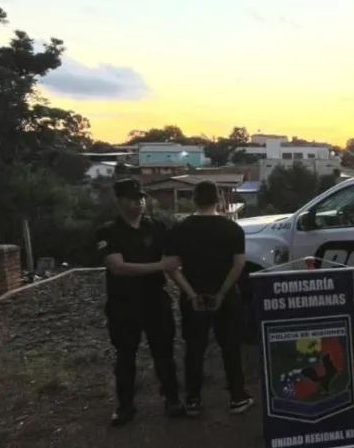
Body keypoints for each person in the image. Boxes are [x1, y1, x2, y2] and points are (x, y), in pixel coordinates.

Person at [95, 178, 184, 426]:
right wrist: (159, 265)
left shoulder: (156, 227)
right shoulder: (108, 231)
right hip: (123, 303)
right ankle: (125, 406)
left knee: (164, 353)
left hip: (156, 300)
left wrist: (188, 290)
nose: (139, 203)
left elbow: (172, 263)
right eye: (133, 199)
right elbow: (117, 267)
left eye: (141, 198)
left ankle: (172, 399)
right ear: (120, 201)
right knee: (125, 355)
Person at [164, 180, 254, 417]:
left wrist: (192, 294)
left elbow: (172, 267)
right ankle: (237, 396)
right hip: (226, 297)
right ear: (218, 200)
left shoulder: (180, 229)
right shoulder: (232, 229)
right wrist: (221, 293)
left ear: (194, 200)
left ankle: (193, 399)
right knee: (230, 346)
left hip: (193, 297)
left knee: (194, 348)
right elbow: (239, 264)